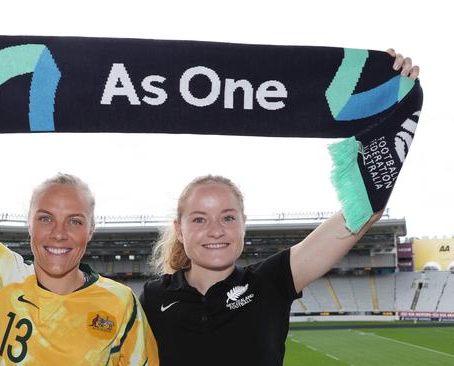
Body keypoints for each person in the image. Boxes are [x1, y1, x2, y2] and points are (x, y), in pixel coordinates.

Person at [0, 31, 158, 365]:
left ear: (91, 230)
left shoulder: (121, 303)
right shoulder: (0, 273)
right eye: (46, 217)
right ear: (29, 224)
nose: (59, 232)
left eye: (75, 221)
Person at [140, 55, 419, 361]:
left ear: (244, 224)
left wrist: (390, 91)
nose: (215, 230)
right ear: (179, 230)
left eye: (228, 217)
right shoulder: (153, 298)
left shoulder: (270, 281)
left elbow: (363, 212)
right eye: (199, 219)